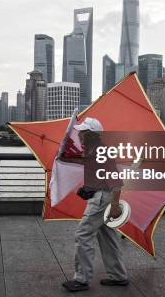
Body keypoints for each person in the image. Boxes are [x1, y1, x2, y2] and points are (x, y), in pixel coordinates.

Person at [59, 117, 129, 292]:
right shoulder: (94, 150)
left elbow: (117, 181)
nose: (80, 134)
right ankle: (119, 276)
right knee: (107, 237)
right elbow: (85, 162)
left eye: (84, 132)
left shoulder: (100, 152)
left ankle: (82, 279)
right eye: (80, 131)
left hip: (102, 199)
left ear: (92, 134)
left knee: (83, 234)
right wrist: (67, 158)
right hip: (101, 197)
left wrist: (114, 206)